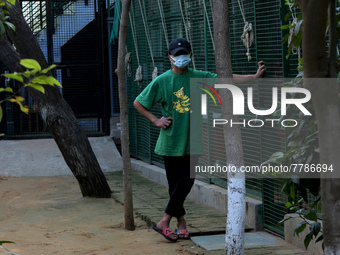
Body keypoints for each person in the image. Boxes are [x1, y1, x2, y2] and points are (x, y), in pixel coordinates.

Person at [133, 38, 265, 242]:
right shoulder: (162, 80)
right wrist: (155, 120)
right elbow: (138, 102)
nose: (181, 58)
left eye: (184, 54)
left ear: (191, 55)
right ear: (170, 57)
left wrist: (253, 76)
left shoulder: (199, 77)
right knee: (174, 186)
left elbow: (226, 79)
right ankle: (181, 224)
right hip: (170, 142)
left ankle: (164, 221)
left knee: (187, 181)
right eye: (177, 55)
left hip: (193, 141)